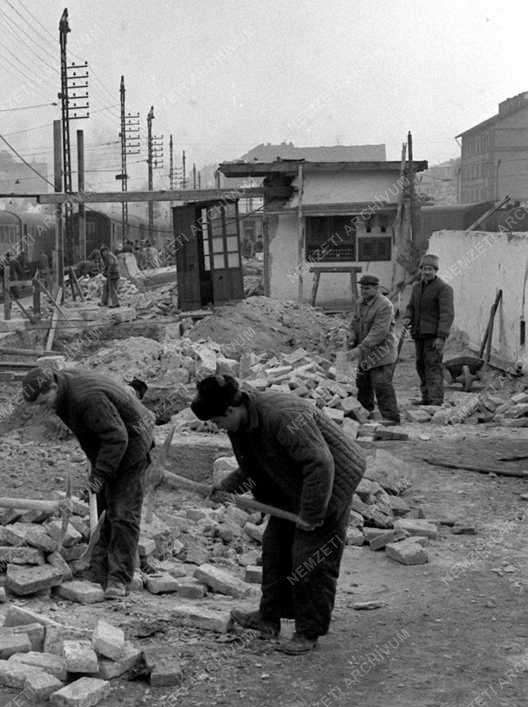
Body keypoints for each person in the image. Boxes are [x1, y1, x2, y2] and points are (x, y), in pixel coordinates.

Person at [190, 374, 366, 655]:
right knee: (275, 549)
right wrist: (226, 487)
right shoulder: (241, 425)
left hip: (332, 483)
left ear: (231, 410)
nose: (217, 427)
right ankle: (268, 618)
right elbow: (253, 465)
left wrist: (311, 514)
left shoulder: (282, 416)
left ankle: (309, 631)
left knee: (310, 559)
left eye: (216, 421)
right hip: (294, 485)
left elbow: (320, 464)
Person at [21, 366, 154, 599]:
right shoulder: (63, 392)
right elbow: (94, 432)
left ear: (53, 387)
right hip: (111, 445)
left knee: (123, 512)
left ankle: (119, 579)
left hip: (132, 443)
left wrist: (100, 475)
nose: (43, 408)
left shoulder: (85, 398)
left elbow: (117, 437)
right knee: (103, 509)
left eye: (43, 401)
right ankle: (99, 568)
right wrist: (97, 468)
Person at [403, 254, 454, 406]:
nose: (427, 272)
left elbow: (447, 314)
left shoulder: (444, 288)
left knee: (433, 366)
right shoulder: (417, 287)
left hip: (433, 336)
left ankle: (436, 400)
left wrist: (441, 337)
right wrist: (407, 317)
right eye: (424, 269)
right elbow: (411, 307)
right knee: (421, 365)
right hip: (419, 334)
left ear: (435, 270)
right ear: (421, 270)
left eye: (430, 269)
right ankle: (426, 398)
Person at [348, 274, 400, 423]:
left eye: (368, 288)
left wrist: (359, 349)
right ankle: (365, 414)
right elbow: (354, 323)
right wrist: (351, 336)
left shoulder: (385, 305)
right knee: (363, 385)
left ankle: (391, 417)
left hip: (381, 354)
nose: (364, 291)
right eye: (362, 288)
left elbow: (379, 333)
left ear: (376, 288)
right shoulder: (360, 303)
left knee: (381, 385)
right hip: (365, 353)